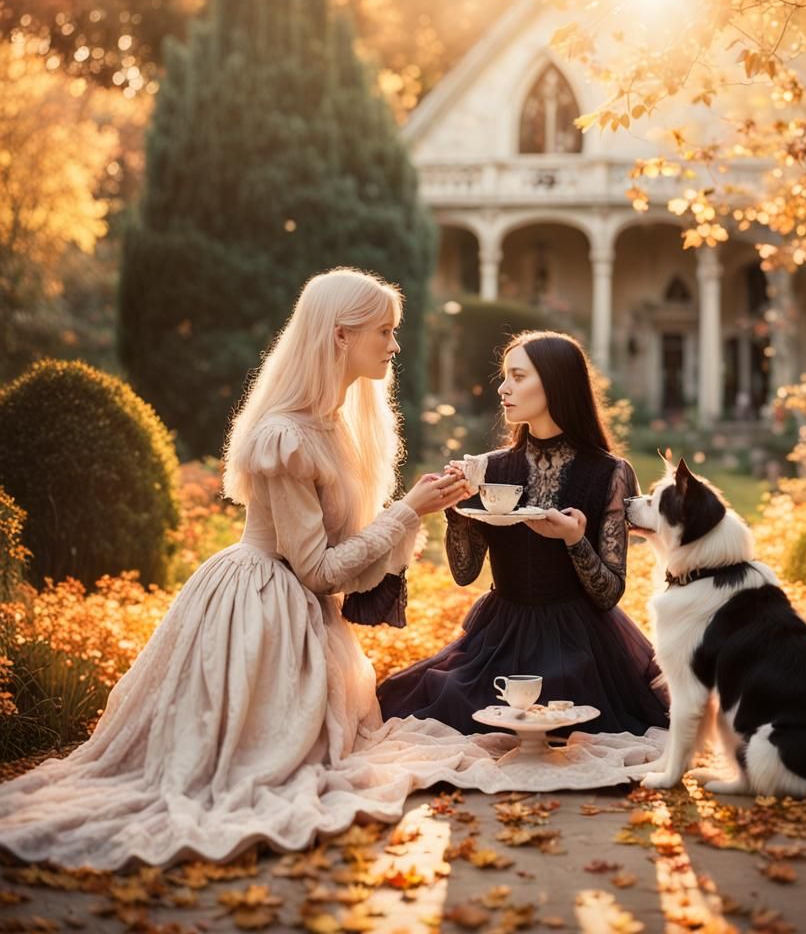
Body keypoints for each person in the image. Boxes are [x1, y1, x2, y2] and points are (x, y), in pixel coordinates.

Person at [0, 267, 469, 870]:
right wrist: (405, 512)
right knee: (247, 768)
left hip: (300, 610)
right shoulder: (285, 436)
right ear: (339, 336)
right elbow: (317, 572)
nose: (395, 345)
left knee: (325, 753)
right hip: (260, 603)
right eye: (384, 331)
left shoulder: (335, 427)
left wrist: (415, 509)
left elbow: (343, 564)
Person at [377, 331, 669, 736]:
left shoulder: (611, 473)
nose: (502, 388)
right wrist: (458, 511)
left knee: (563, 718)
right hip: (500, 638)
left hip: (582, 646)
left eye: (517, 376)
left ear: (554, 382)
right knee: (421, 699)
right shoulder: (489, 469)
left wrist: (573, 540)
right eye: (504, 376)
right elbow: (464, 574)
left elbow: (609, 593)